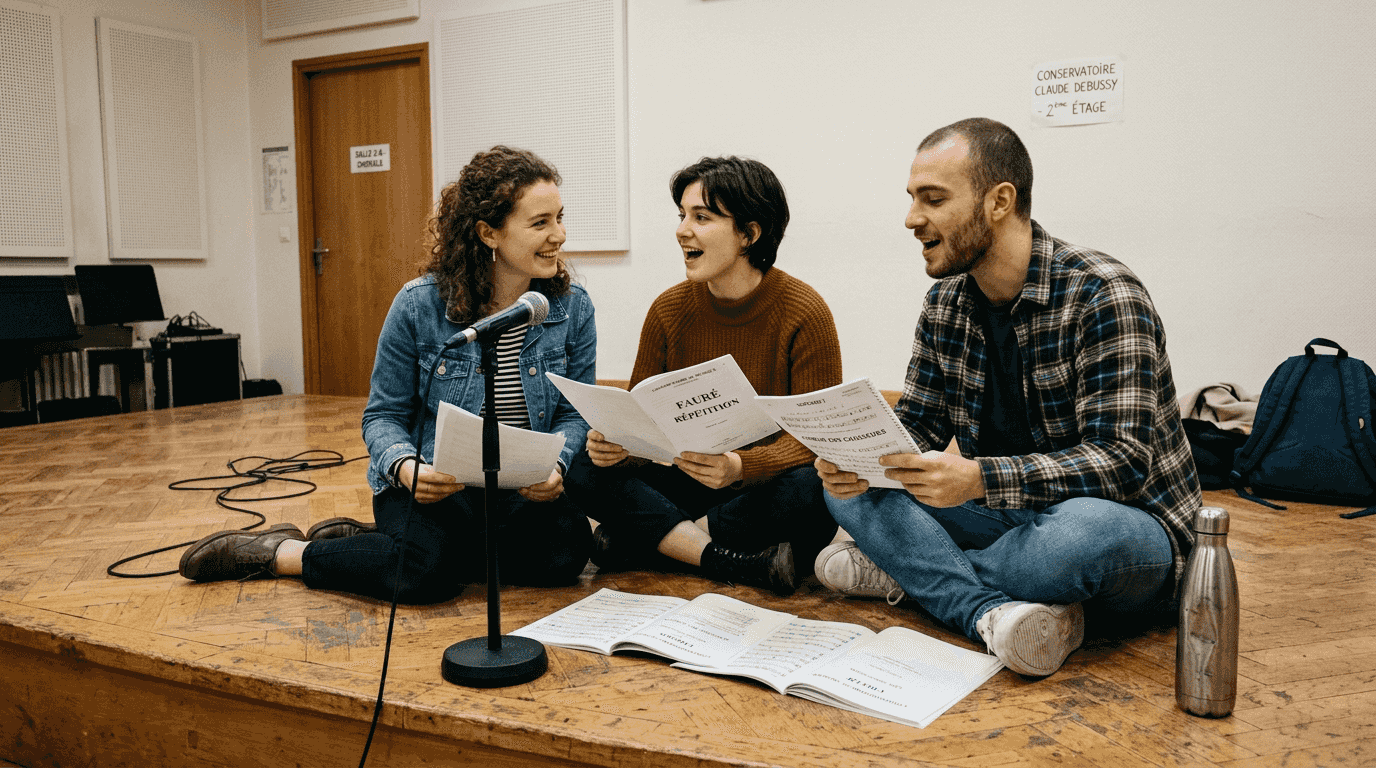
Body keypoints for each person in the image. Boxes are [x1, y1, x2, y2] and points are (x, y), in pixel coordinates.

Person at [813, 118, 1201, 676]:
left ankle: (910, 575)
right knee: (844, 496)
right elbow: (917, 426)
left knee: (1076, 538)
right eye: (912, 199)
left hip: (1129, 529)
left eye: (934, 199)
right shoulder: (945, 303)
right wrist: (861, 464)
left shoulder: (1102, 293)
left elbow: (1121, 462)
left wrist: (977, 479)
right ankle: (990, 613)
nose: (911, 218)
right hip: (1005, 520)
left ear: (999, 201)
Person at [179, 146, 596, 601]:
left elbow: (576, 415)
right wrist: (406, 467)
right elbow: (382, 416)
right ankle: (279, 551)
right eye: (541, 223)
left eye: (559, 217)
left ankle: (379, 548)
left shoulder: (572, 309)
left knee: (566, 555)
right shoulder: (419, 306)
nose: (560, 234)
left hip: (517, 489)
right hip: (433, 485)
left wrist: (556, 465)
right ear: (488, 233)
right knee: (420, 574)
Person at [564, 156, 841, 595]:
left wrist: (741, 466)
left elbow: (818, 438)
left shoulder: (804, 312)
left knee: (814, 490)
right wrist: (618, 446)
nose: (682, 230)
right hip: (688, 481)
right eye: (682, 215)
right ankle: (728, 560)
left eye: (702, 217)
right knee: (583, 469)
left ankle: (653, 543)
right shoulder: (668, 309)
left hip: (755, 490)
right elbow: (640, 425)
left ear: (750, 233)